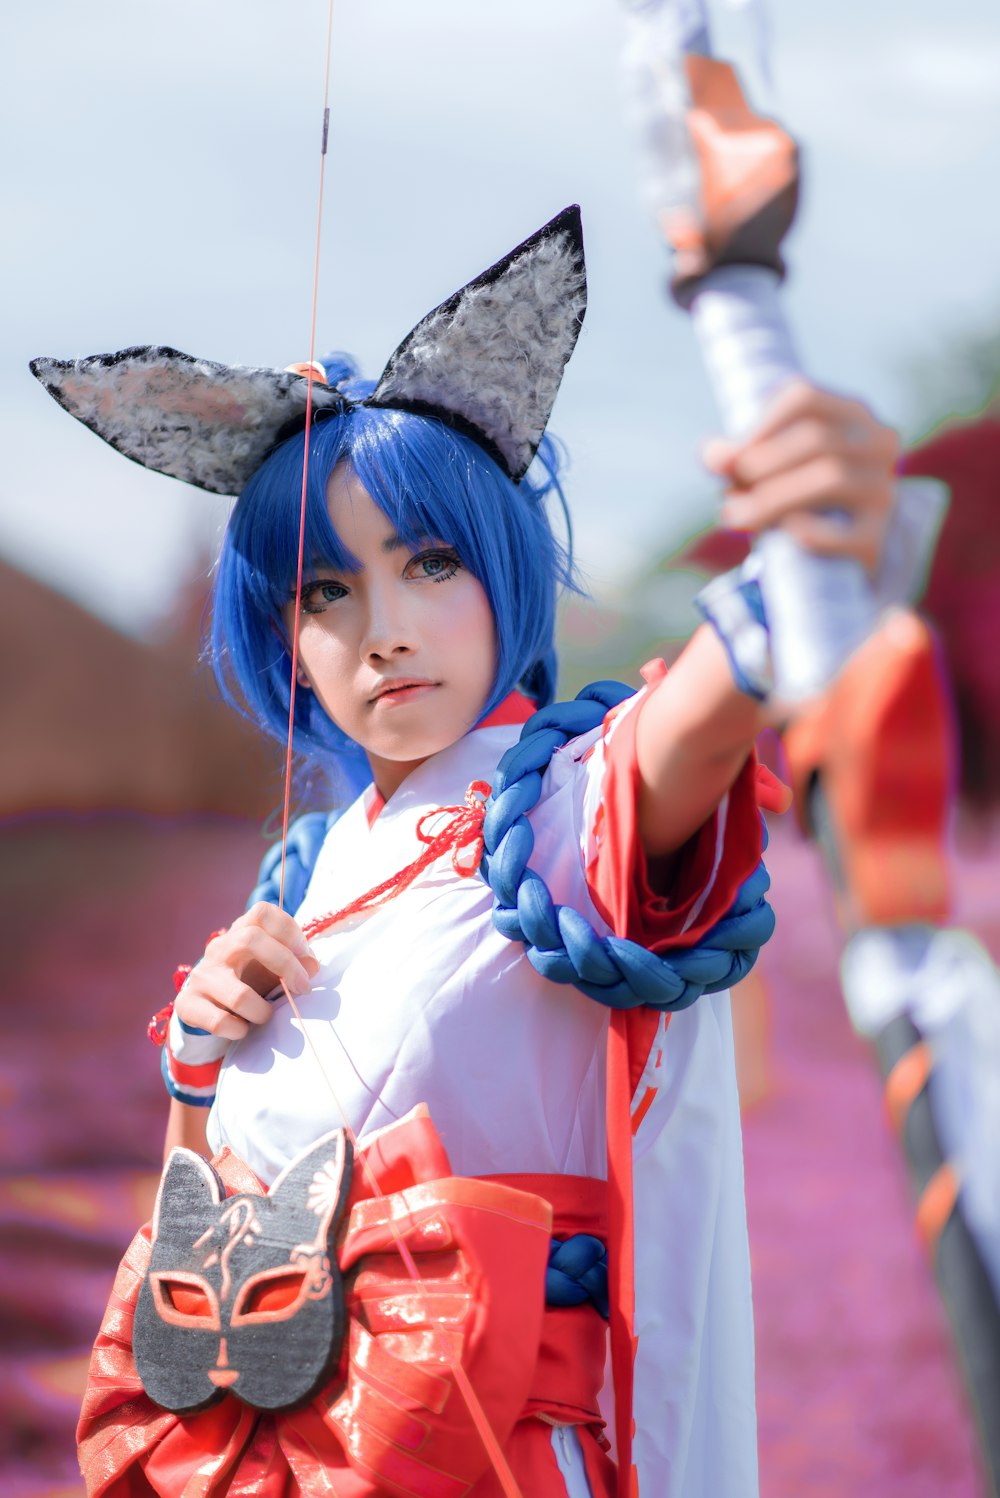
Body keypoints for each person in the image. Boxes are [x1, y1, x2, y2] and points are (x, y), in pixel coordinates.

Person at [32, 207, 898, 1498]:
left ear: (501, 568)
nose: (381, 630)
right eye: (325, 589)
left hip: (504, 1455)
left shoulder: (567, 801)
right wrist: (199, 1077)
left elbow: (700, 718)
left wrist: (807, 548)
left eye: (428, 562)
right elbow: (205, 1254)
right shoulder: (306, 873)